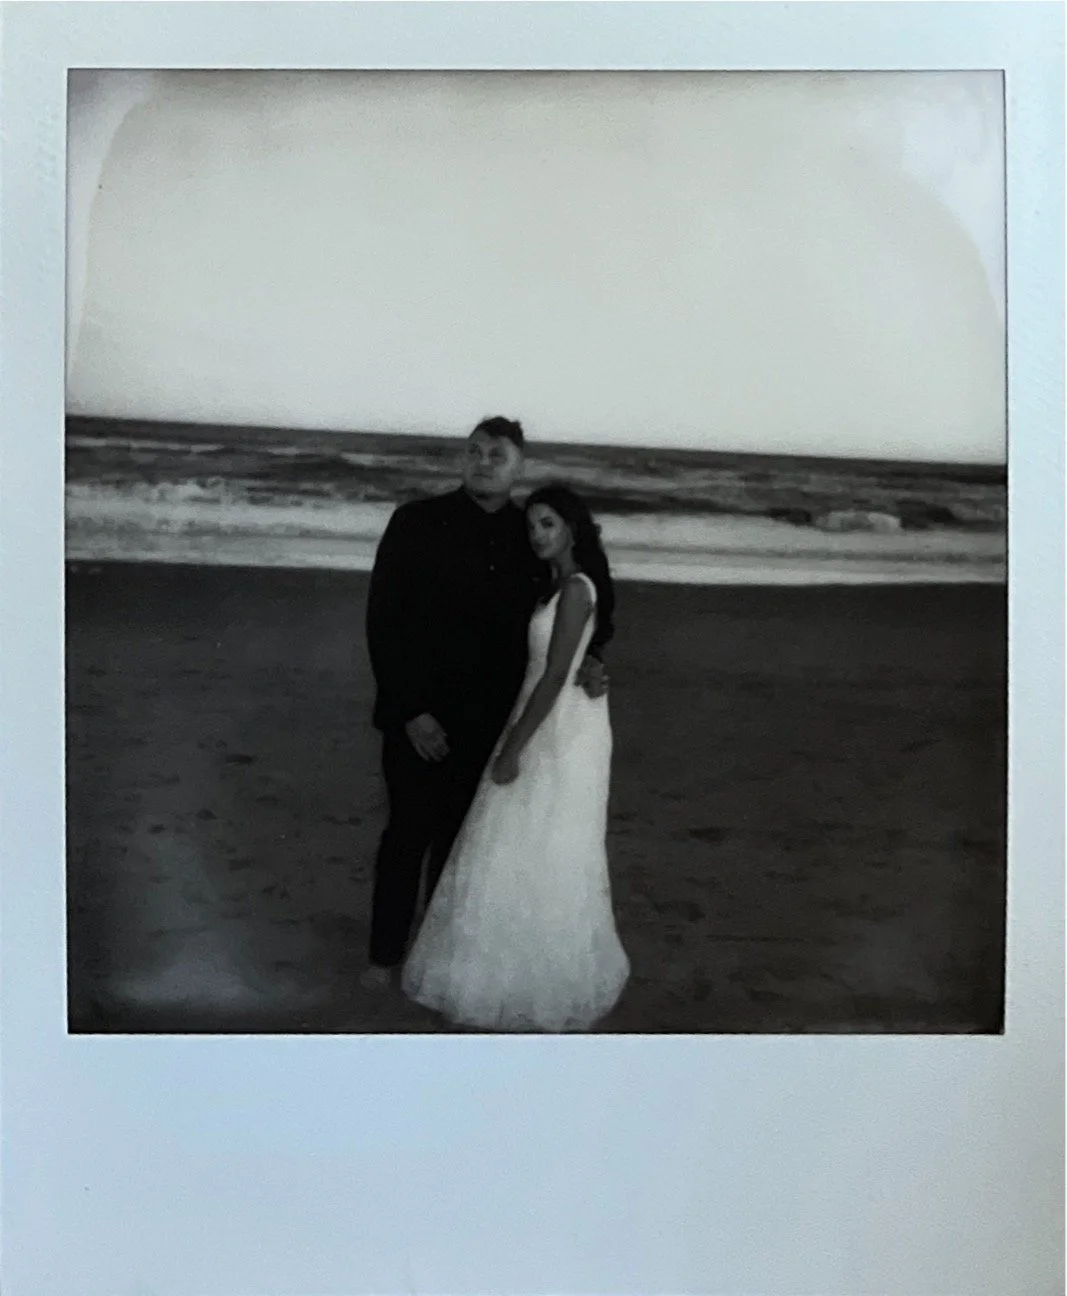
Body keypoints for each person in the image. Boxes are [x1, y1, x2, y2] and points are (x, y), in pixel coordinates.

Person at [362, 418, 608, 989]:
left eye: (497, 454)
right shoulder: (416, 522)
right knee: (406, 835)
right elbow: (384, 621)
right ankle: (383, 956)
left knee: (461, 844)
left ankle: (436, 954)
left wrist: (594, 658)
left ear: (519, 467)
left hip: (491, 722)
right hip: (420, 717)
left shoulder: (529, 537)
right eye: (473, 452)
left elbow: (587, 597)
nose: (483, 461)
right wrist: (408, 711)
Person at [401, 484, 630, 1032]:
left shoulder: (575, 589)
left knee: (544, 841)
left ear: (572, 527)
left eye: (548, 524)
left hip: (559, 728)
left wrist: (511, 748)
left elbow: (554, 676)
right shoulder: (552, 588)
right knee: (515, 839)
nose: (537, 535)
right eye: (532, 527)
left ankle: (538, 977)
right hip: (542, 717)